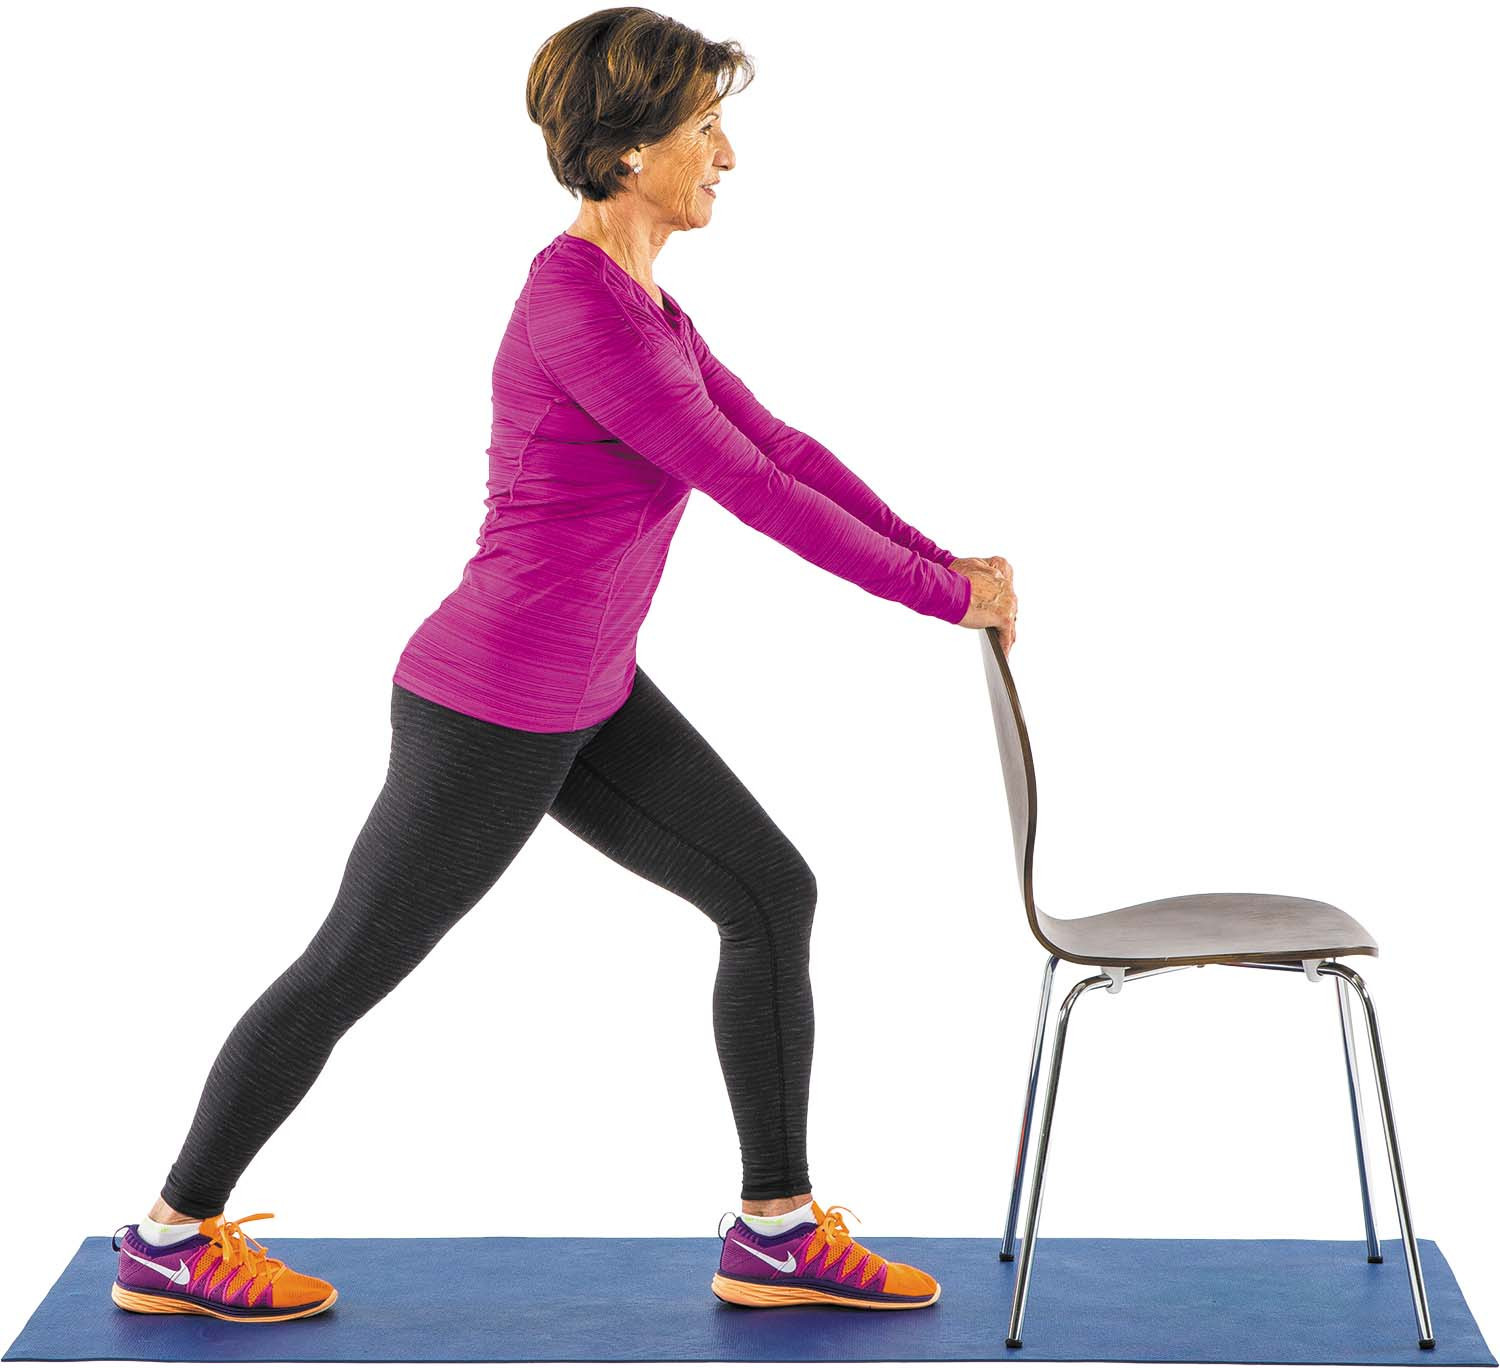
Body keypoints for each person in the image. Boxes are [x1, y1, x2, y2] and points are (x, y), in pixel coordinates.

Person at [109, 6, 1018, 1324]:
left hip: (588, 696)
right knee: (350, 963)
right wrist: (944, 600)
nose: (728, 155)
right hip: (488, 710)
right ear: (632, 146)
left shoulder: (643, 300)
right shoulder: (580, 310)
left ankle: (773, 1229)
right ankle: (172, 1236)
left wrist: (952, 563)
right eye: (707, 126)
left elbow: (790, 450)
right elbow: (755, 495)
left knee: (769, 892)